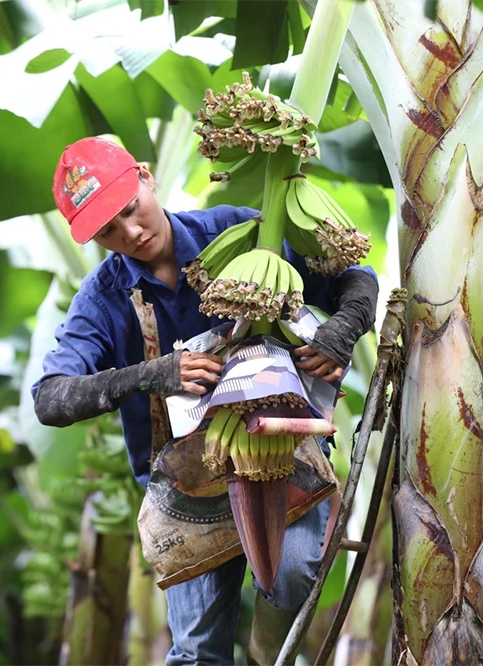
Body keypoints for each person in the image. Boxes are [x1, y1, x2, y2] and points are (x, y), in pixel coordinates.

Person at [31, 136, 378, 665]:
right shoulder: (101, 300)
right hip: (185, 484)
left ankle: (268, 655)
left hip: (284, 454)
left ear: (145, 177)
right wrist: (154, 373)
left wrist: (343, 329)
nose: (132, 232)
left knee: (291, 578)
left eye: (130, 210)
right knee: (197, 652)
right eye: (108, 231)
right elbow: (49, 398)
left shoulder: (237, 236)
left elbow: (355, 277)